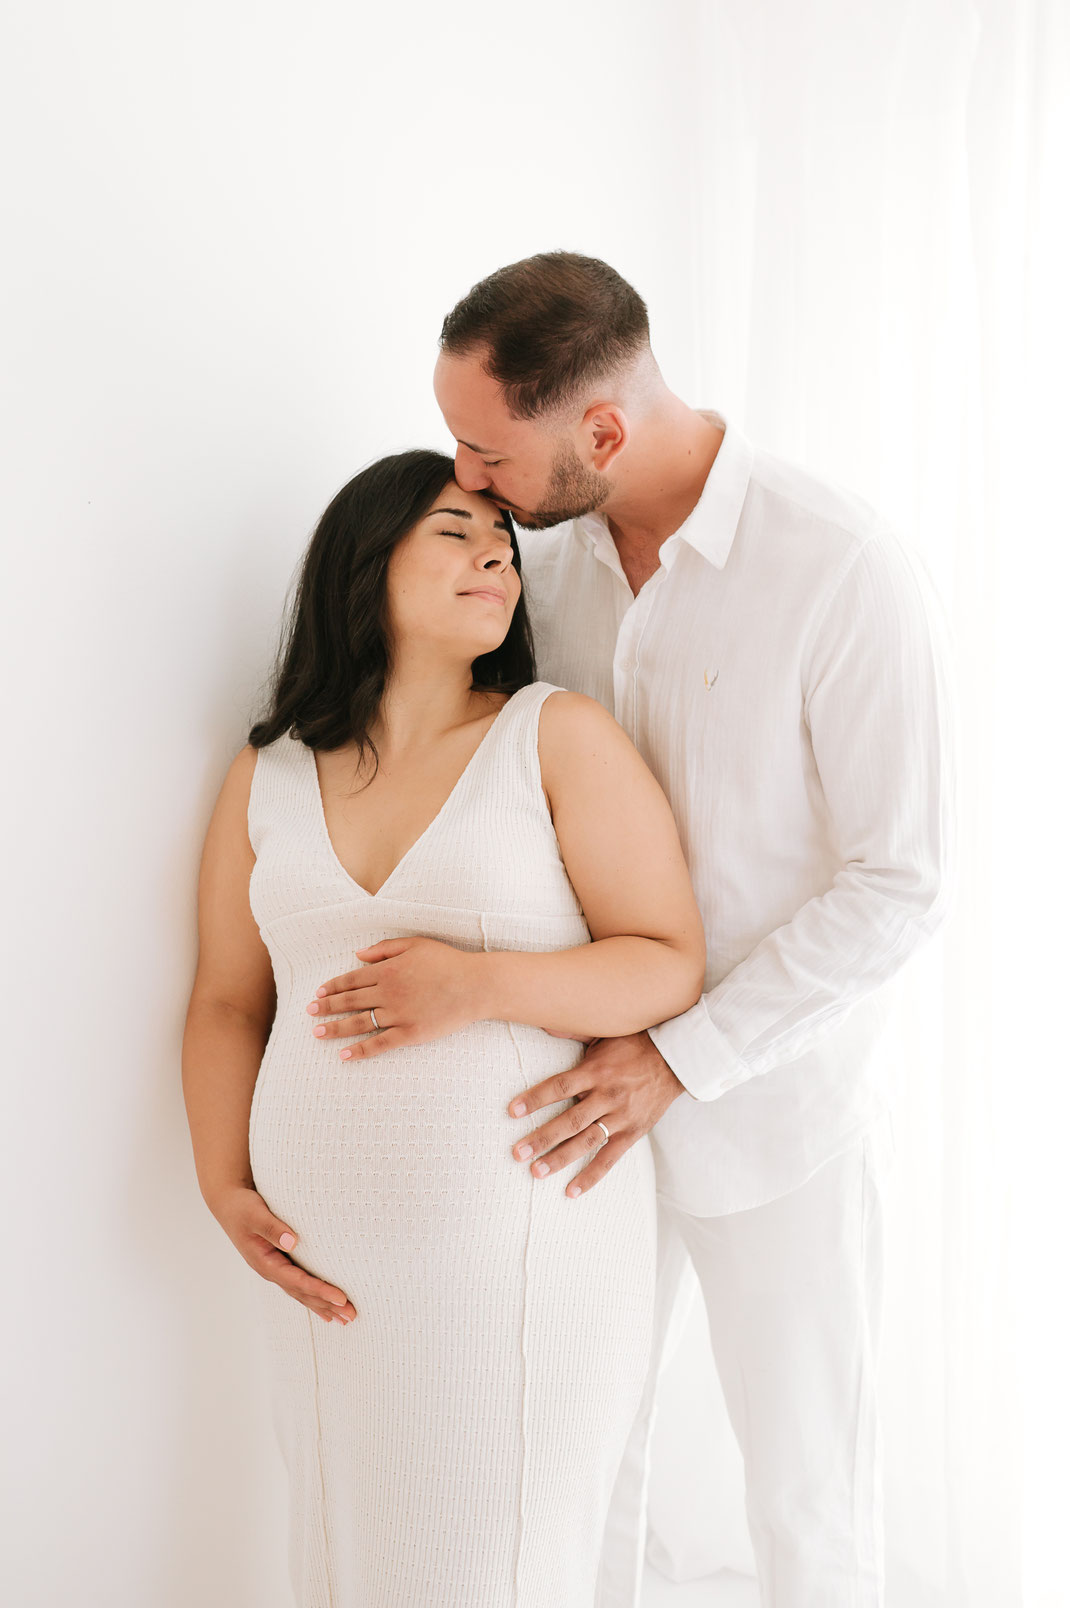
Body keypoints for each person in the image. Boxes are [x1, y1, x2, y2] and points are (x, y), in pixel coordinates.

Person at [432, 252, 954, 1608]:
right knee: (575, 1472)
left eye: (485, 449)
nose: (467, 479)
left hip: (774, 1115)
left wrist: (685, 1056)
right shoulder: (545, 565)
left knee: (805, 1502)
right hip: (576, 1108)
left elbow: (899, 882)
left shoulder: (839, 567)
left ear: (598, 432)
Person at [181, 447, 707, 1608]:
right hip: (327, 1276)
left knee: (494, 1574)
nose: (492, 557)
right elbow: (227, 998)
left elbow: (666, 964)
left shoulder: (551, 735)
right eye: (452, 532)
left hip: (524, 1256)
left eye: (502, 544)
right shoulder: (265, 776)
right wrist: (224, 1187)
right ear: (361, 565)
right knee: (347, 1566)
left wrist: (477, 986)